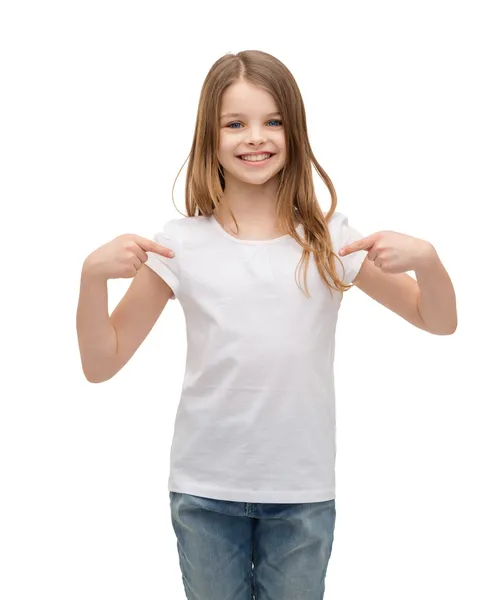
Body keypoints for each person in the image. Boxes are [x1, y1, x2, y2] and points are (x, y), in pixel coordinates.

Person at [77, 49, 457, 600]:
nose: (256, 137)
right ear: (210, 135)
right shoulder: (178, 244)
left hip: (301, 491)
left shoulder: (329, 238)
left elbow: (436, 319)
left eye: (273, 121)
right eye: (236, 123)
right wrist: (92, 279)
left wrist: (429, 260)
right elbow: (101, 363)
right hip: (204, 490)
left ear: (294, 130)